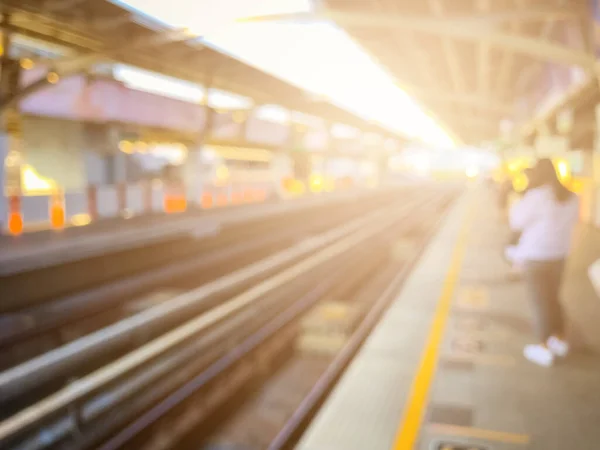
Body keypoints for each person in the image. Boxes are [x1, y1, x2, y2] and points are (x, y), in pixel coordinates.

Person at [507, 158, 579, 367]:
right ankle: (560, 339)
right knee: (553, 299)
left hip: (536, 256)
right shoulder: (571, 197)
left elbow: (516, 221)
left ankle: (544, 348)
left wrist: (518, 198)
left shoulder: (537, 196)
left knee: (540, 303)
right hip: (559, 256)